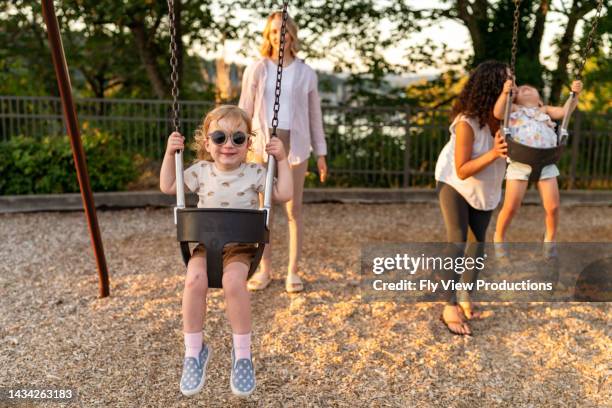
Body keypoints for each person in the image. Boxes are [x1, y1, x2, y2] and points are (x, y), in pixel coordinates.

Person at [159, 105, 293, 397]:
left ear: (248, 143)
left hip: (241, 247)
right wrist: (170, 154)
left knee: (234, 282)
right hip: (207, 244)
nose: (228, 145)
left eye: (238, 138)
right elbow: (169, 185)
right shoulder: (200, 172)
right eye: (219, 137)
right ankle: (194, 352)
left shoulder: (256, 173)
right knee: (194, 281)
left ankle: (242, 354)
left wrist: (281, 159)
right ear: (207, 143)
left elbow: (284, 194)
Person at [239, 10, 328, 293]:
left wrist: (321, 153)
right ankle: (264, 271)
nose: (280, 36)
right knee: (265, 210)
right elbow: (245, 109)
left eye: (285, 31)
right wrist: (240, 146)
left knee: (294, 210)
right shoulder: (257, 69)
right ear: (269, 36)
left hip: (296, 145)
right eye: (275, 31)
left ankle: (293, 271)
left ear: (293, 35)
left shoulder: (306, 73)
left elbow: (315, 116)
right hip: (262, 144)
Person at [434, 61, 510, 335]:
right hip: (454, 180)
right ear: (493, 88)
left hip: (485, 185)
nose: (511, 90)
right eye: (507, 84)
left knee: (479, 240)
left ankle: (466, 292)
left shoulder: (507, 121)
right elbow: (463, 170)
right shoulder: (466, 123)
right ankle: (448, 303)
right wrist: (493, 154)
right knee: (457, 238)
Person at [493, 80, 583, 258]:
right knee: (511, 207)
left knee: (553, 207)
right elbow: (497, 112)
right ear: (515, 98)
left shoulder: (545, 110)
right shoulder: (513, 109)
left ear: (540, 100)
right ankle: (499, 237)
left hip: (546, 161)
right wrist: (505, 94)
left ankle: (550, 239)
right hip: (520, 162)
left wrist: (575, 95)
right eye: (522, 89)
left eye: (530, 88)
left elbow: (565, 112)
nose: (525, 88)